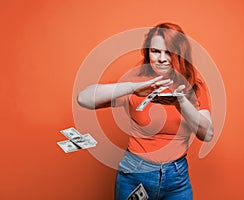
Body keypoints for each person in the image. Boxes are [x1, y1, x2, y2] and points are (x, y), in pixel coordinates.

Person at [77, 22, 214, 200]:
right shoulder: (135, 80)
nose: (162, 58)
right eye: (155, 51)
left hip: (177, 178)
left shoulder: (194, 87)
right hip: (135, 173)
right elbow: (84, 98)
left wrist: (181, 102)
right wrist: (133, 87)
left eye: (169, 52)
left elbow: (207, 133)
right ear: (148, 52)